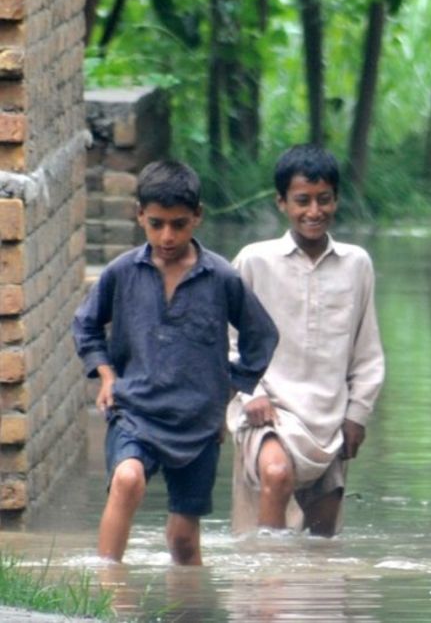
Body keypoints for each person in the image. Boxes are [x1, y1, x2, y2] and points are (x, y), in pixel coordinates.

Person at [73, 160, 279, 565]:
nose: (167, 236)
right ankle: (104, 590)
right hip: (135, 408)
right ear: (140, 217)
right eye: (157, 224)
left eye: (179, 224)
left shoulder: (221, 277)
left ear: (197, 217)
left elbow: (262, 336)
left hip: (197, 423)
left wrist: (228, 389)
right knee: (127, 479)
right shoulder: (121, 272)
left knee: (184, 540)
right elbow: (86, 325)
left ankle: (188, 605)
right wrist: (107, 374)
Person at [226, 144, 385, 536]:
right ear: (282, 203)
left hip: (330, 416)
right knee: (275, 474)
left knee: (322, 537)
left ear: (337, 200)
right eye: (302, 201)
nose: (314, 211)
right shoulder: (253, 261)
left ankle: (313, 596)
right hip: (269, 408)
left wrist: (357, 415)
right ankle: (268, 584)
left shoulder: (356, 264)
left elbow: (367, 351)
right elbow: (227, 339)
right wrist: (251, 394)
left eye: (324, 200)